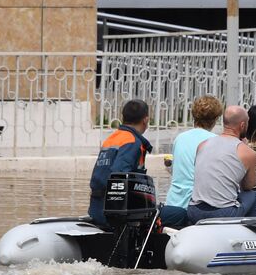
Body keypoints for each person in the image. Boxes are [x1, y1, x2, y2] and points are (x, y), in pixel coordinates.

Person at [187, 105, 256, 223]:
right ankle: (251, 234)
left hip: (194, 211)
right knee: (251, 196)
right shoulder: (247, 152)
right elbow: (248, 186)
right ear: (242, 125)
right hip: (224, 213)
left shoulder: (202, 145)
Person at [88, 99, 153, 228]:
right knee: (174, 214)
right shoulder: (133, 142)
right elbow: (119, 176)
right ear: (145, 120)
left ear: (123, 117)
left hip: (97, 209)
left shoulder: (112, 138)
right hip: (114, 215)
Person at [161, 95, 223, 227]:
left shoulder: (180, 138)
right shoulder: (215, 141)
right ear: (215, 119)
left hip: (174, 203)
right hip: (197, 206)